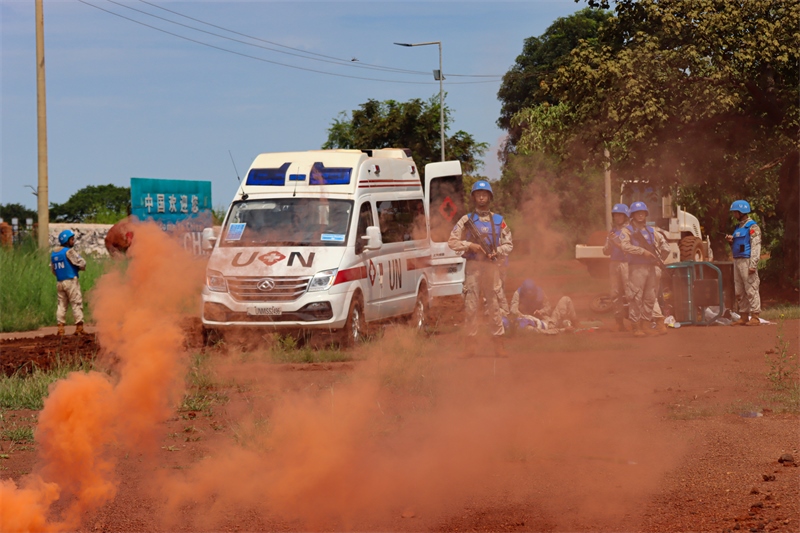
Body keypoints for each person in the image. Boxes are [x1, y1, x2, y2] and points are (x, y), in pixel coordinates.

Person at [448, 180, 513, 354]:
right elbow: (452, 242)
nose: (481, 197)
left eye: (484, 194)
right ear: (474, 197)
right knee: (471, 305)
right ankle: (470, 344)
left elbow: (509, 245)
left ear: (489, 197)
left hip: (491, 267)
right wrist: (470, 246)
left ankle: (499, 343)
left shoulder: (499, 220)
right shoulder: (466, 220)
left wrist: (496, 251)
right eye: (478, 194)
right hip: (473, 266)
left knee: (494, 305)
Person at [620, 201, 670, 337]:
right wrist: (642, 252)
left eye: (642, 212)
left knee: (650, 297)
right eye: (637, 213)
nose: (640, 215)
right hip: (636, 268)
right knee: (636, 296)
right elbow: (625, 246)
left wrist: (660, 260)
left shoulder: (652, 230)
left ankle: (646, 324)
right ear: (632, 215)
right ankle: (636, 327)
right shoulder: (627, 231)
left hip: (652, 267)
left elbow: (666, 247)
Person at [726, 200, 761, 326]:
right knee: (739, 290)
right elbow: (737, 245)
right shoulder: (738, 228)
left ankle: (755, 316)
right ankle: (744, 315)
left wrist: (753, 264)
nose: (734, 214)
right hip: (737, 260)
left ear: (742, 212)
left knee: (751, 288)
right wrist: (731, 241)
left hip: (747, 260)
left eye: (735, 212)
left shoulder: (753, 227)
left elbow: (756, 247)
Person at [51, 229, 87, 336]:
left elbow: (53, 270)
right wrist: (79, 268)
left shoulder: (53, 254)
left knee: (61, 305)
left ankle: (60, 329)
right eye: (72, 239)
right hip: (71, 281)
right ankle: (79, 328)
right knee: (76, 303)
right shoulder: (69, 251)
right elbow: (82, 263)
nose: (73, 241)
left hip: (59, 282)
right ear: (66, 241)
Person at [603, 203, 631, 332]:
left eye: (620, 215)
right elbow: (606, 251)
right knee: (615, 294)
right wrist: (609, 242)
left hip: (627, 263)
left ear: (626, 216)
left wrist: (617, 242)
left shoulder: (630, 230)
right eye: (615, 215)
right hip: (613, 263)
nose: (618, 217)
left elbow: (631, 249)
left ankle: (636, 322)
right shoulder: (612, 231)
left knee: (631, 293)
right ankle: (619, 322)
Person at [510, 279, 576, 332]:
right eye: (527, 293)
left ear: (534, 290)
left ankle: (574, 322)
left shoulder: (540, 292)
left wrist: (541, 311)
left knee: (565, 299)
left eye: (531, 293)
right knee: (549, 327)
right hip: (533, 323)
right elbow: (513, 310)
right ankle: (565, 325)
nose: (529, 295)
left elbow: (548, 308)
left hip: (546, 318)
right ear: (523, 290)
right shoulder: (518, 294)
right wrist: (525, 316)